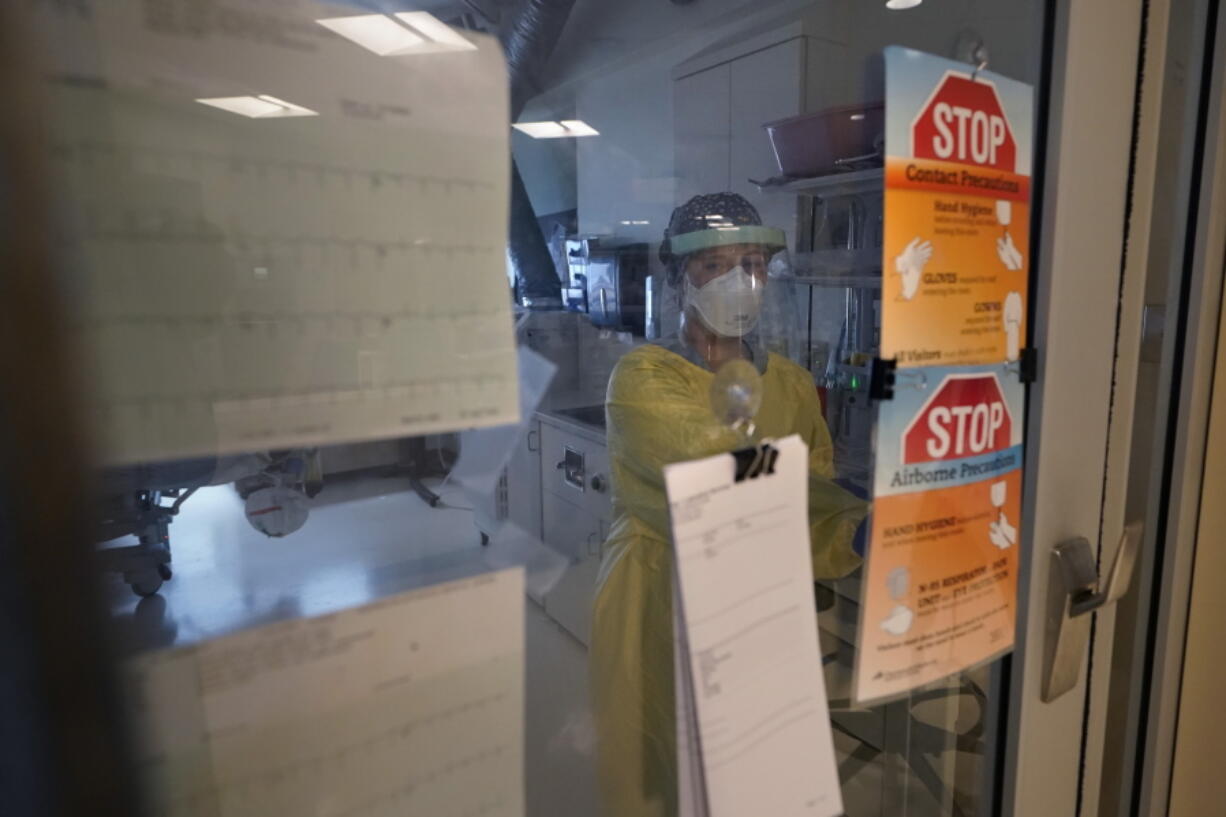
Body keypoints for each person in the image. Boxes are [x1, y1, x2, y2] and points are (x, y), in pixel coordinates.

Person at [589, 193, 868, 816]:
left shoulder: (791, 383)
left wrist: (849, 529)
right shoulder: (643, 378)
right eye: (715, 266)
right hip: (660, 593)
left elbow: (809, 494)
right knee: (663, 766)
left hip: (759, 596)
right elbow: (709, 469)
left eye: (753, 263)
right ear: (679, 277)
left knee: (752, 766)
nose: (740, 281)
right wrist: (820, 496)